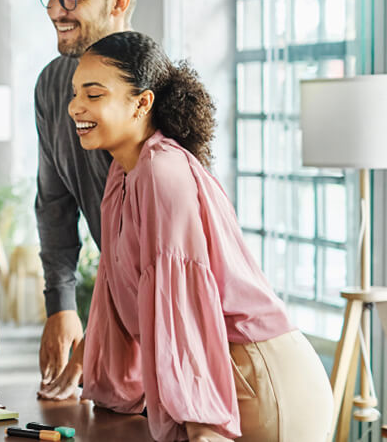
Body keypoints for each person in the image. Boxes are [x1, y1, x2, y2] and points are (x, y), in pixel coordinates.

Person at [45, 30, 333, 441]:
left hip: (257, 378)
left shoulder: (164, 172)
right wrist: (102, 381)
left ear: (142, 103)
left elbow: (183, 305)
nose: (75, 107)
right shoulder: (122, 174)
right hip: (219, 375)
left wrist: (200, 423)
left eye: (93, 95)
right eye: (75, 93)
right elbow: (116, 289)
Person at [33, 0, 138, 395]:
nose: (57, 10)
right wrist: (61, 304)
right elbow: (53, 204)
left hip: (171, 314)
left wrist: (99, 332)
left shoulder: (154, 90)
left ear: (118, 3)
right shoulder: (52, 84)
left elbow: (157, 250)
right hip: (119, 307)